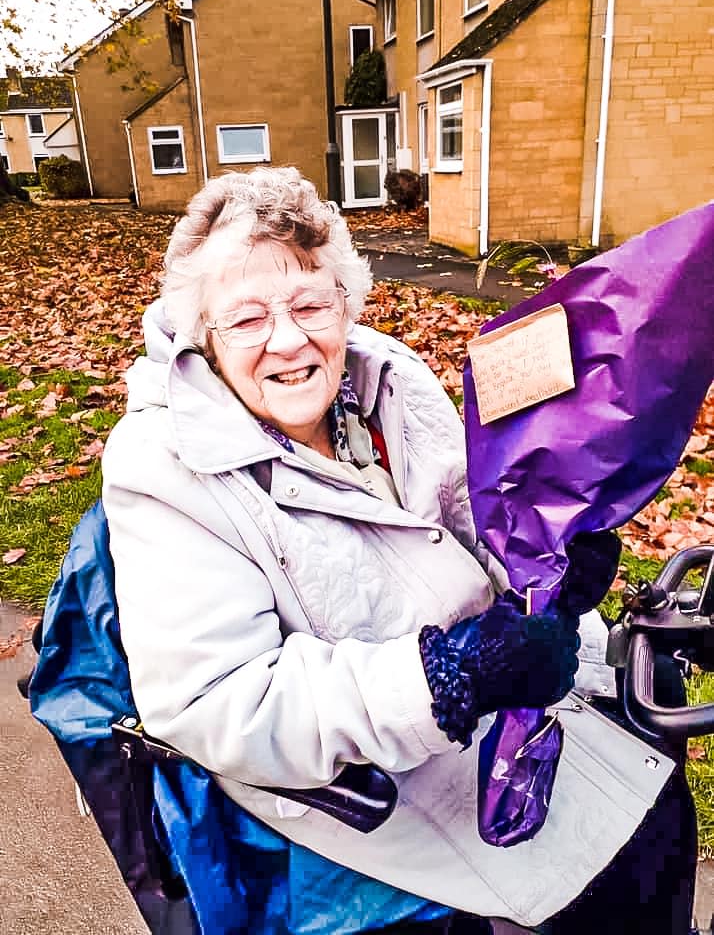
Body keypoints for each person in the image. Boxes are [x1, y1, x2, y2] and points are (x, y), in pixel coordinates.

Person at [101, 167, 696, 934]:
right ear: (202, 335)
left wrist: (549, 563)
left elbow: (475, 520)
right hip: (365, 778)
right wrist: (448, 677)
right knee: (609, 877)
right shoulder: (162, 464)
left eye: (312, 303)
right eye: (246, 319)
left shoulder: (389, 380)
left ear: (345, 301)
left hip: (505, 704)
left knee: (658, 811)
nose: (290, 339)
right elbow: (217, 701)